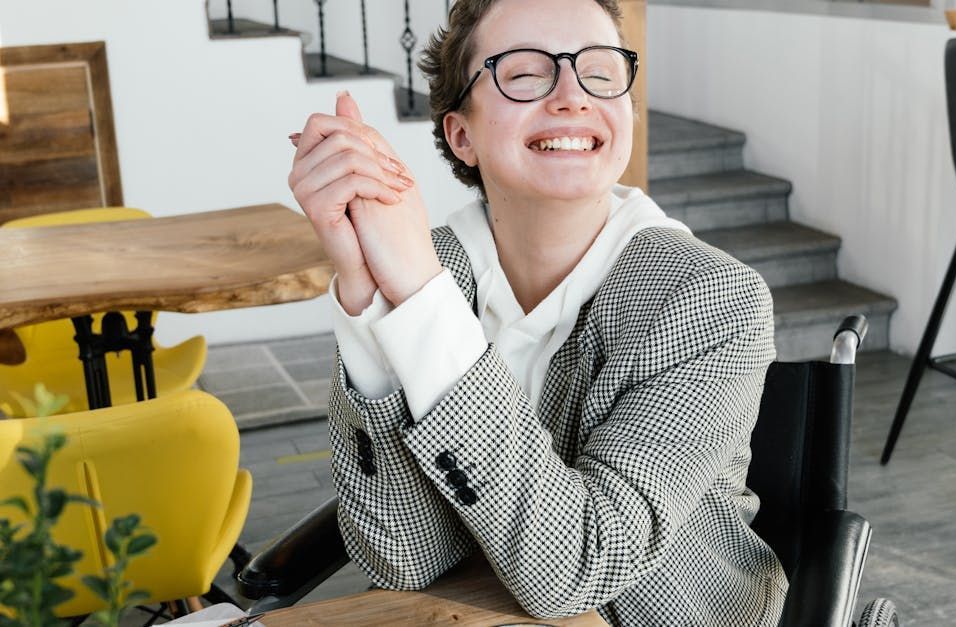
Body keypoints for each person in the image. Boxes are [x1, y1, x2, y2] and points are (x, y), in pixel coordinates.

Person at [286, 0, 788, 624]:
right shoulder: (427, 266)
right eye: (523, 74)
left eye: (601, 72)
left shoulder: (711, 297)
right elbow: (406, 558)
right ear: (461, 134)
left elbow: (578, 570)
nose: (573, 96)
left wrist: (415, 295)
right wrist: (365, 296)